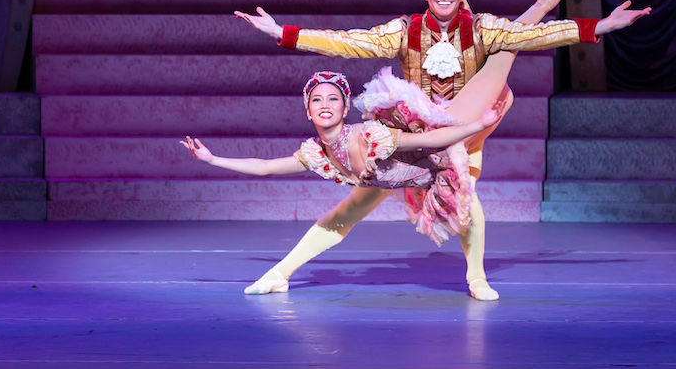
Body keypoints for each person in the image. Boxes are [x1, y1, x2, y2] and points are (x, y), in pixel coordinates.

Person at [235, 0, 652, 300]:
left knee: (509, 47)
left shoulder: (482, 26)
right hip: (414, 131)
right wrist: (285, 33)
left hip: (465, 122)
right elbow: (350, 41)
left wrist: (601, 26)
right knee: (353, 208)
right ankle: (281, 272)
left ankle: (476, 278)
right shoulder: (405, 31)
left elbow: (540, 38)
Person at [181, 68, 509, 295]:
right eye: (317, 100)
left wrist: (477, 124)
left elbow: (434, 139)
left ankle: (476, 277)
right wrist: (213, 159)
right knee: (342, 216)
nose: (325, 105)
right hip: (382, 178)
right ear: (308, 111)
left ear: (345, 106)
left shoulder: (370, 136)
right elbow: (266, 167)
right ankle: (278, 275)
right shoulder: (318, 153)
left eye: (333, 99)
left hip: (435, 163)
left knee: (466, 201)